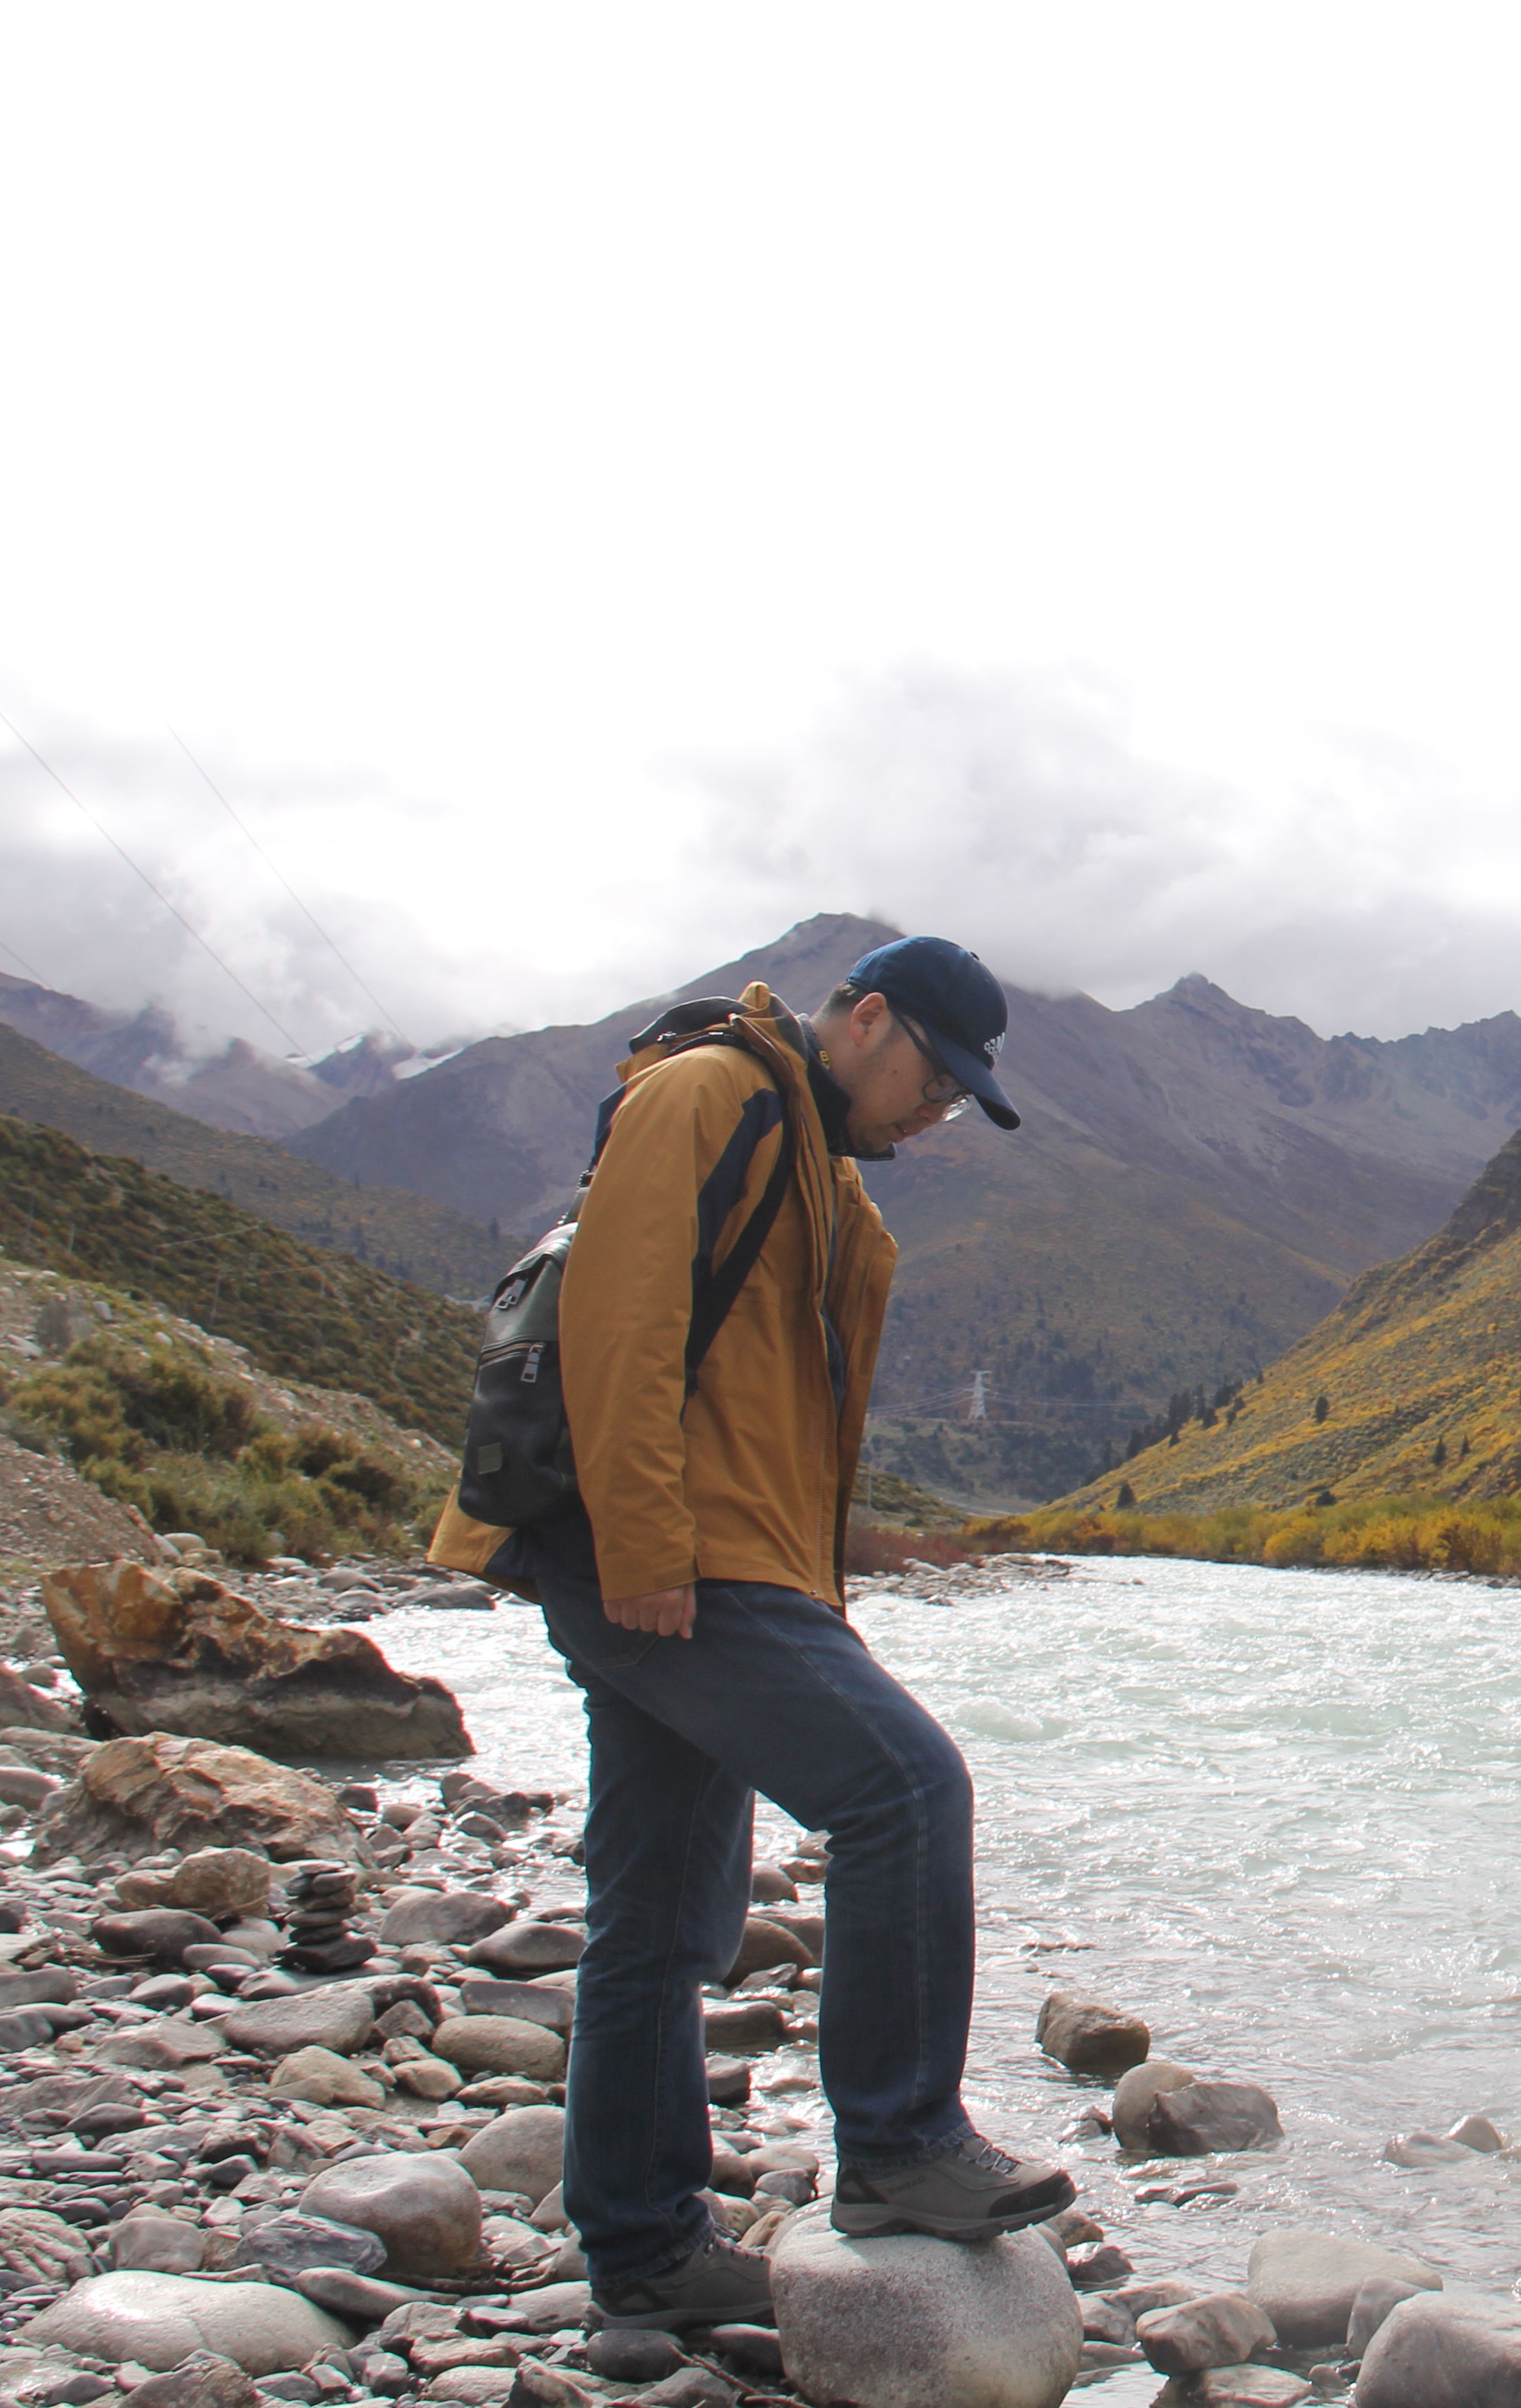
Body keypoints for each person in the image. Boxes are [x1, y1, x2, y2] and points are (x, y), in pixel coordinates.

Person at [428, 935, 1074, 2335]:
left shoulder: (813, 1164)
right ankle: (901, 2150)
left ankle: (648, 2257)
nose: (937, 1112)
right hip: (674, 1562)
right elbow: (622, 1322)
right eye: (934, 1079)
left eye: (962, 1100)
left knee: (658, 1924)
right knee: (906, 1788)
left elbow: (783, 1406)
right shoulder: (709, 1096)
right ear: (869, 1019)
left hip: (726, 1562)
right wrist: (651, 1549)